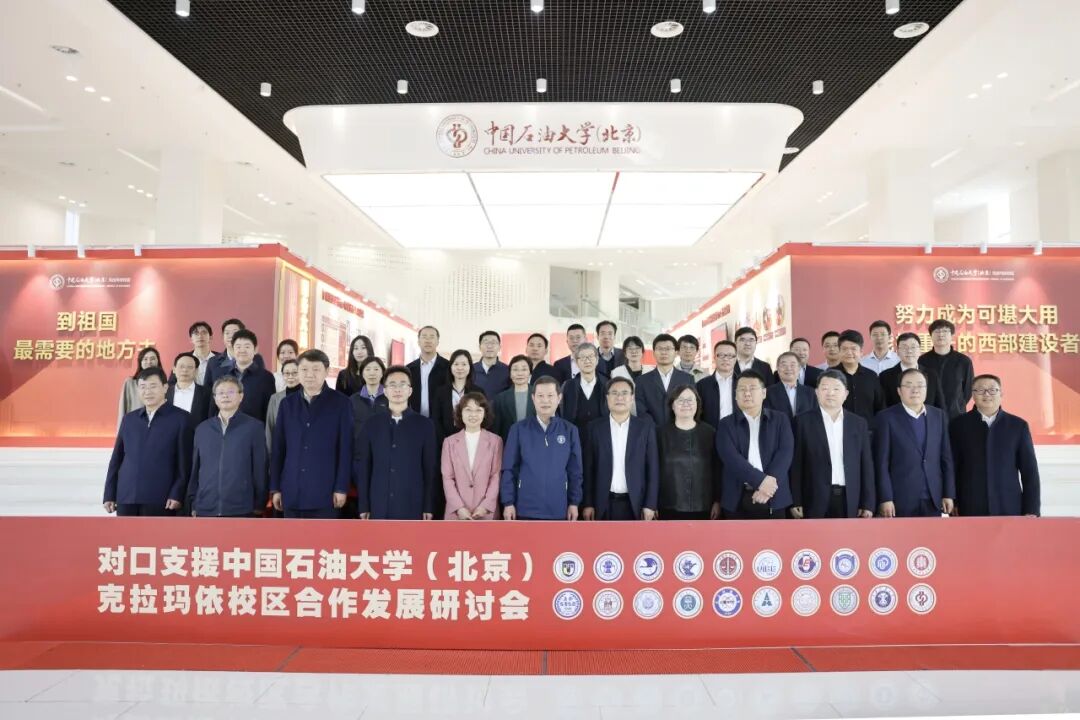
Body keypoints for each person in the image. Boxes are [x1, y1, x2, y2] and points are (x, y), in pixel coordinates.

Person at [270, 349, 353, 519]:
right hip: (291, 490)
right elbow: (278, 448)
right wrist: (276, 488)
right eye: (304, 369)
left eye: (316, 369)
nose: (309, 375)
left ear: (326, 372)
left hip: (326, 492)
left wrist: (341, 487)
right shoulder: (287, 404)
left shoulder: (341, 403)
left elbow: (346, 449)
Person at [103, 367, 191, 516]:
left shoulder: (181, 419)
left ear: (165, 387)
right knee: (125, 532)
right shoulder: (129, 419)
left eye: (153, 386)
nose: (147, 392)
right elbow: (116, 459)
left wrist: (177, 493)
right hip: (126, 496)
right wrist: (109, 493)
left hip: (161, 498)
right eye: (143, 387)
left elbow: (185, 463)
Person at [949, 374, 1040, 517]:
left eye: (992, 390)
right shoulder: (958, 425)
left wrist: (1031, 508)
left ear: (1001, 394)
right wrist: (953, 501)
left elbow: (1029, 470)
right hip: (969, 504)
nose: (986, 394)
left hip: (1009, 505)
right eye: (980, 390)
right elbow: (952, 467)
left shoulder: (1017, 426)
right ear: (973, 395)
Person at [355, 365, 437, 520]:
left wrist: (428, 506)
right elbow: (364, 466)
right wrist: (364, 505)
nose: (397, 389)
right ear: (385, 391)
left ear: (410, 391)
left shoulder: (425, 425)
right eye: (392, 385)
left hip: (412, 503)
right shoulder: (372, 424)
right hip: (378, 503)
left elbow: (429, 469)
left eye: (402, 385)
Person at [790, 370, 875, 519]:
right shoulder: (802, 422)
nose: (830, 393)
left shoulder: (858, 423)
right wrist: (796, 500)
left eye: (836, 389)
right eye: (825, 388)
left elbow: (866, 464)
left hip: (849, 497)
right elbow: (796, 464)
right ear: (817, 392)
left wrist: (867, 502)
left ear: (846, 394)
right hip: (813, 497)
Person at [872, 368, 955, 518]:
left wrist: (948, 493)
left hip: (933, 497)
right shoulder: (886, 418)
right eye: (909, 385)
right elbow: (881, 463)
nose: (915, 390)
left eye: (920, 385)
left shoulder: (938, 416)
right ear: (899, 391)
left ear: (926, 389)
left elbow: (946, 458)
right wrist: (885, 498)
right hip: (900, 498)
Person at [500, 376, 583, 521]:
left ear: (559, 398)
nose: (545, 400)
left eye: (550, 396)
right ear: (533, 398)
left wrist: (574, 502)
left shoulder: (570, 430)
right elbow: (509, 469)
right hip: (525, 508)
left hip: (559, 508)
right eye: (540, 396)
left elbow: (575, 471)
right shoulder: (518, 429)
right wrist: (508, 503)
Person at [715, 370, 793, 519]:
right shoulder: (726, 424)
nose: (747, 393)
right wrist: (761, 481)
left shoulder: (780, 420)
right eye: (742, 389)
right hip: (737, 498)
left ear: (763, 393)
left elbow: (785, 453)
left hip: (774, 495)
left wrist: (768, 486)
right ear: (735, 395)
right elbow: (730, 458)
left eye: (752, 388)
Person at [187, 376, 267, 518]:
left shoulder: (254, 427)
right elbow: (196, 469)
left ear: (241, 396)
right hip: (206, 507)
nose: (225, 396)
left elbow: (260, 468)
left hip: (242, 508)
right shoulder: (202, 429)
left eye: (230, 392)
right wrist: (194, 502)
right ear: (215, 398)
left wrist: (259, 503)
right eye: (221, 392)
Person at [582, 377, 658, 521]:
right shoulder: (594, 428)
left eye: (624, 393)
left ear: (632, 398)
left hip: (635, 503)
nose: (619, 397)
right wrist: (588, 503)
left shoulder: (645, 428)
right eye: (614, 393)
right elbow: (588, 469)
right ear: (607, 398)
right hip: (602, 503)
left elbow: (652, 468)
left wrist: (650, 504)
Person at [656, 384, 721, 520]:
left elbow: (717, 470)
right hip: (667, 506)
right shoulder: (660, 434)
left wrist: (717, 500)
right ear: (672, 405)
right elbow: (653, 471)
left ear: (697, 404)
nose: (686, 404)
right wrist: (652, 503)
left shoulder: (710, 433)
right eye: (680, 400)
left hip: (704, 506)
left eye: (690, 400)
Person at [441, 392, 502, 520]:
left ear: (484, 414)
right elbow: (447, 478)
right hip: (457, 514)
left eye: (478, 410)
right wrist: (459, 508)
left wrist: (485, 506)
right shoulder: (449, 442)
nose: (473, 415)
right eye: (468, 410)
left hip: (486, 513)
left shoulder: (495, 441)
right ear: (460, 413)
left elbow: (496, 476)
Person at [208, 329, 276, 423]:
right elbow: (213, 407)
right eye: (238, 347)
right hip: (224, 428)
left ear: (255, 349)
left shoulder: (266, 377)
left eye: (247, 346)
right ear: (233, 349)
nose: (242, 350)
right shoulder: (220, 374)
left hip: (253, 428)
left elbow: (269, 410)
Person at [919, 319, 975, 420]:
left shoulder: (963, 361)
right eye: (937, 331)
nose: (941, 334)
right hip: (928, 414)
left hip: (956, 416)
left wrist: (957, 405)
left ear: (952, 335)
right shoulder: (922, 360)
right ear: (931, 335)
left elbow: (968, 390)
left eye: (945, 331)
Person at [635, 334, 694, 427]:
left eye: (668, 349)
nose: (663, 352)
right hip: (652, 431)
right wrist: (653, 429)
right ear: (654, 353)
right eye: (660, 349)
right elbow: (641, 410)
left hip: (680, 430)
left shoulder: (687, 379)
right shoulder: (641, 381)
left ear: (676, 352)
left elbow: (691, 406)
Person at [880, 332, 946, 410]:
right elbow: (883, 408)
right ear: (897, 351)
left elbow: (940, 406)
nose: (909, 351)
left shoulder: (932, 375)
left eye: (913, 347)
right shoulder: (885, 377)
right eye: (904, 347)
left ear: (920, 350)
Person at [432, 349, 484, 446]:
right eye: (456, 364)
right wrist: (445, 441)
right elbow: (436, 419)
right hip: (445, 441)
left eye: (464, 364)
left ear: (470, 367)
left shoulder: (478, 392)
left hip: (471, 440)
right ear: (450, 367)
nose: (460, 368)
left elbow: (482, 418)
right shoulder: (440, 392)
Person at [559, 343, 608, 438]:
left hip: (602, 437)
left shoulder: (607, 385)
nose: (587, 361)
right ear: (576, 362)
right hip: (574, 437)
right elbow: (561, 412)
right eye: (582, 357)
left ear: (597, 360)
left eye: (590, 356)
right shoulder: (567, 386)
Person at [836, 330, 885, 421]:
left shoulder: (871, 376)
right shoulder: (830, 375)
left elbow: (880, 406)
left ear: (861, 352)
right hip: (838, 428)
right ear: (839, 351)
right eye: (845, 349)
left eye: (853, 349)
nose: (849, 352)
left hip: (867, 428)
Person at [205, 318, 265, 386]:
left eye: (235, 332)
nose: (230, 336)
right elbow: (207, 389)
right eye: (227, 333)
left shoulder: (256, 359)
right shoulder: (213, 362)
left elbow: (262, 383)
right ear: (223, 337)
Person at [407, 326, 449, 418]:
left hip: (440, 420)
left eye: (432, 337)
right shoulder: (409, 369)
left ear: (437, 342)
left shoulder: (448, 367)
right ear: (418, 342)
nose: (428, 341)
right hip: (414, 419)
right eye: (424, 337)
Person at [765, 351, 818, 420]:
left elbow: (815, 417)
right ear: (777, 369)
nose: (788, 368)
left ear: (799, 368)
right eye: (784, 365)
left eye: (792, 365)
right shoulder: (768, 392)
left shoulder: (810, 392)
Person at [697, 340, 737, 430]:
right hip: (710, 433)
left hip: (738, 433)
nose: (725, 359)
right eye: (721, 355)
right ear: (714, 357)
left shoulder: (743, 384)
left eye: (730, 355)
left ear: (735, 359)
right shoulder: (702, 385)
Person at [118, 346, 162, 427]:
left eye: (152, 359)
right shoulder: (130, 383)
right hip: (135, 427)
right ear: (140, 362)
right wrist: (121, 431)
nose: (149, 362)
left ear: (158, 362)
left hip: (158, 427)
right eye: (145, 359)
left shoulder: (164, 384)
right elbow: (122, 409)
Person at [494, 355, 536, 440]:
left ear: (530, 373)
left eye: (524, 369)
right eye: (515, 369)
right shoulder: (500, 398)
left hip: (534, 442)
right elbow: (496, 428)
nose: (519, 373)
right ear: (510, 374)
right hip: (509, 442)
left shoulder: (539, 395)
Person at [166, 351, 211, 428]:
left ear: (196, 371)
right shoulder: (164, 393)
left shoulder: (207, 393)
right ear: (174, 369)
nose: (185, 370)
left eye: (189, 367)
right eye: (181, 366)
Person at [265, 359, 302, 451]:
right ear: (282, 375)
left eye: (295, 373)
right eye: (287, 373)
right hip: (281, 446)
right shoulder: (275, 398)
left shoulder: (308, 396)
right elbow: (270, 425)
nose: (290, 376)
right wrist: (269, 451)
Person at [350, 356, 389, 434]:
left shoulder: (391, 398)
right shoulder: (353, 400)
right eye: (368, 369)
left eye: (376, 369)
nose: (372, 373)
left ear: (382, 373)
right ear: (362, 374)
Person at [472, 330, 510, 400]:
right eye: (485, 342)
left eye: (493, 342)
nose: (489, 346)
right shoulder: (471, 369)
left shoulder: (507, 370)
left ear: (499, 347)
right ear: (479, 347)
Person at [188, 321, 216, 386]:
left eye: (204, 332)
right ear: (191, 339)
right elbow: (172, 383)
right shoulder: (184, 359)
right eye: (196, 333)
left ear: (211, 337)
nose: (200, 336)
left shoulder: (221, 359)